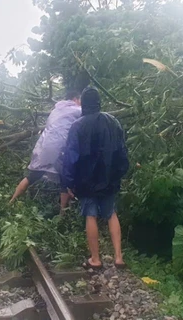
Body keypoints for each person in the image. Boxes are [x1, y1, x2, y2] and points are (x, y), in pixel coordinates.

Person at [61, 86, 129, 270]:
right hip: (109, 177)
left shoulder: (77, 126)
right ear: (99, 102)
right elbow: (122, 151)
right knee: (111, 213)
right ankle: (118, 257)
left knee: (90, 215)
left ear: (84, 103)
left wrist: (68, 181)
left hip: (86, 181)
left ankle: (95, 259)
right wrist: (120, 172)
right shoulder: (113, 121)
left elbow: (70, 156)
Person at [10, 90, 81, 212]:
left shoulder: (56, 110)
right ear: (75, 99)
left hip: (43, 147)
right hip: (60, 149)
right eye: (80, 100)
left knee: (32, 176)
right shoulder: (77, 110)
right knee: (65, 180)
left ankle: (11, 202)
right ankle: (62, 213)